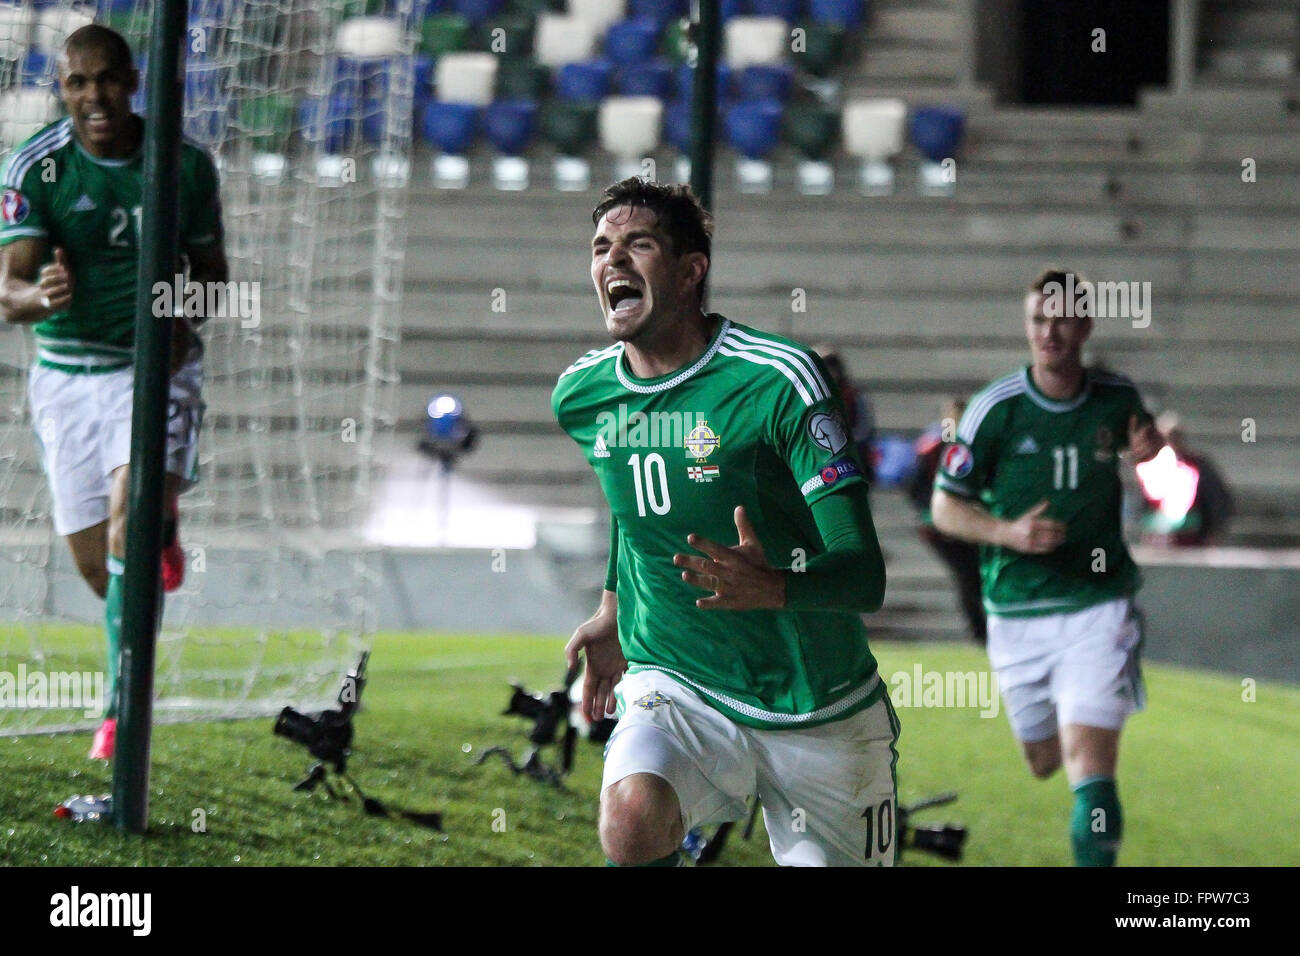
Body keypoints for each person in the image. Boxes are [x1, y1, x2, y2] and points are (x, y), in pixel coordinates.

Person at [553, 178, 896, 867]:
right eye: (600, 248)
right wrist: (614, 608)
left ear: (690, 270)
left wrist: (777, 586)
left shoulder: (780, 381)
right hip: (678, 683)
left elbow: (864, 573)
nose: (613, 262)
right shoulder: (584, 394)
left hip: (817, 707)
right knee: (630, 822)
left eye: (637, 244)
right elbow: (633, 506)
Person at [0, 25, 227, 759]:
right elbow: (9, 291)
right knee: (104, 573)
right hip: (67, 376)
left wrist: (183, 309)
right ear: (62, 88)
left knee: (130, 521)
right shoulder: (35, 169)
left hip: (152, 368)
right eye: (77, 83)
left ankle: (119, 715)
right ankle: (157, 532)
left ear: (134, 81)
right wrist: (43, 296)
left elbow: (216, 280)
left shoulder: (184, 165)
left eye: (107, 80)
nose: (94, 96)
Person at [930, 268, 1161, 866]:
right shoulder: (993, 411)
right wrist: (1007, 532)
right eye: (1038, 319)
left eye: (1060, 319)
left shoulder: (1117, 397)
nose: (1049, 332)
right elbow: (944, 506)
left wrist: (1152, 454)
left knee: (1090, 767)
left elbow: (1152, 463)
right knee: (1043, 762)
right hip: (1015, 611)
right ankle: (1067, 721)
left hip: (1097, 605)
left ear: (1084, 324)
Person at [909, 398, 986, 644]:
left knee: (972, 576)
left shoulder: (975, 446)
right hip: (941, 528)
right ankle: (979, 630)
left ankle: (981, 629)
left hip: (968, 524)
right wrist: (931, 513)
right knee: (967, 576)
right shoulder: (933, 448)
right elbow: (916, 485)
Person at [1136, 411, 1233, 546]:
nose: (1170, 443)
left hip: (1193, 539)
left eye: (1174, 437)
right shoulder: (1150, 466)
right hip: (1158, 539)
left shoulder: (1199, 465)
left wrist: (1212, 531)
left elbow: (1217, 499)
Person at [813, 344, 876, 486]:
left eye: (831, 364)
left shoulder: (854, 396)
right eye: (822, 365)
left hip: (850, 459)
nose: (828, 370)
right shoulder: (807, 397)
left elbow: (863, 430)